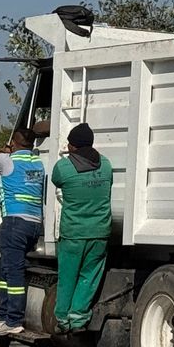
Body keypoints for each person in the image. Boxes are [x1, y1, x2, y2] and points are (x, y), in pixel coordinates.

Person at [0, 128, 44, 336]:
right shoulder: (38, 164)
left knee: (14, 271)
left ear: (14, 144)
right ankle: (1, 312)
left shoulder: (6, 162)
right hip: (34, 224)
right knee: (4, 267)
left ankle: (13, 319)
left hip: (14, 223)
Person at [51, 122, 113, 334]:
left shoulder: (63, 167)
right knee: (89, 276)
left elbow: (56, 181)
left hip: (73, 233)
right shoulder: (106, 164)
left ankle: (62, 320)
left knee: (68, 276)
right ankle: (78, 319)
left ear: (73, 146)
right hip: (99, 233)